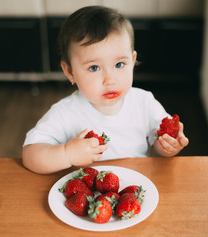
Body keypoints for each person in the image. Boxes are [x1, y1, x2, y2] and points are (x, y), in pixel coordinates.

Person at [22, 6, 189, 174]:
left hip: (133, 192)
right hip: (90, 195)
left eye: (119, 65)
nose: (110, 80)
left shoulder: (144, 103)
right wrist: (67, 154)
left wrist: (168, 146)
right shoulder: (65, 113)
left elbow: (159, 143)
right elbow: (30, 156)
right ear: (70, 72)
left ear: (132, 61)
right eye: (94, 68)